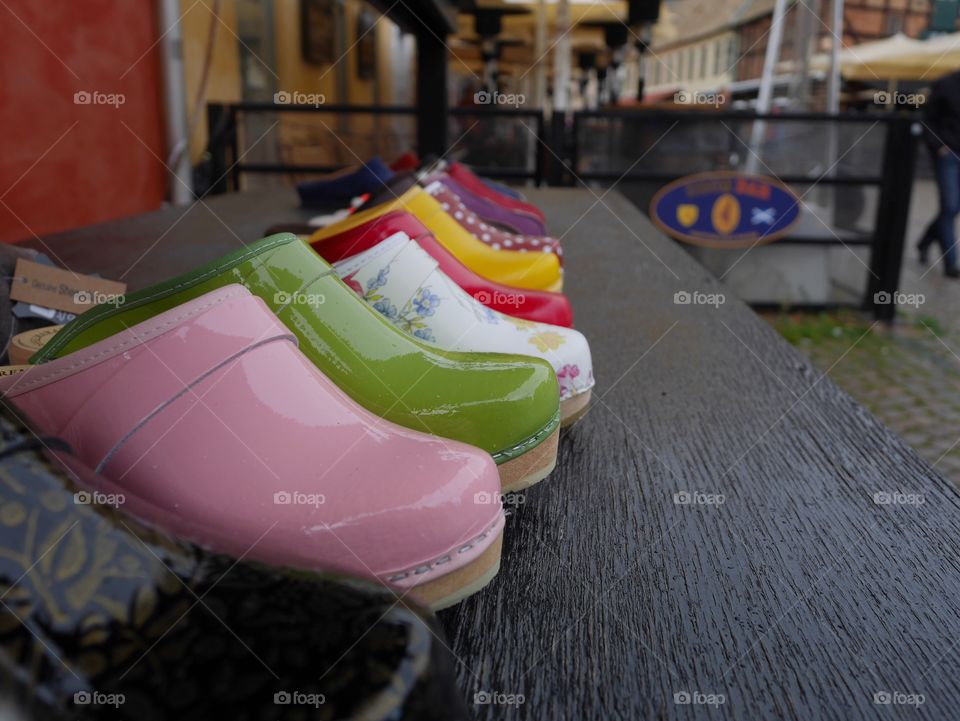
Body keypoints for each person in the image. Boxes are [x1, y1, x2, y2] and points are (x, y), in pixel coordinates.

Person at [922, 69, 960, 278]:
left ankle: (924, 241)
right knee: (950, 206)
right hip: (948, 154)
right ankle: (951, 263)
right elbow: (928, 120)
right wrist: (938, 146)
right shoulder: (945, 84)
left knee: (952, 209)